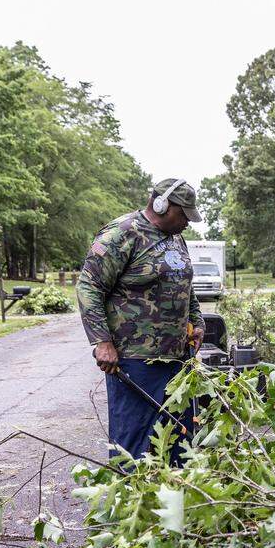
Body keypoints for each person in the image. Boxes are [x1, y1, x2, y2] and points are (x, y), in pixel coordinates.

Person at [77, 178, 205, 462]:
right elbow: (88, 287)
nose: (188, 222)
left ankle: (176, 499)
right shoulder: (122, 234)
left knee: (177, 439)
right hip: (136, 362)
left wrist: (196, 322)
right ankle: (130, 502)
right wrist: (102, 341)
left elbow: (184, 284)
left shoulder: (176, 238)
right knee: (134, 444)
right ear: (162, 205)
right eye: (183, 214)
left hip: (178, 360)